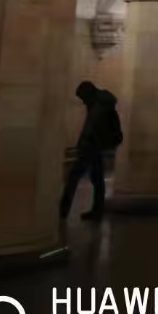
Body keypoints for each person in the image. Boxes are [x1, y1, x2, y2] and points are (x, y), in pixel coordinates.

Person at [59, 81, 121, 222]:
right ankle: (97, 211)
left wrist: (82, 146)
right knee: (97, 179)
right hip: (96, 146)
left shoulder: (98, 106)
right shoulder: (101, 103)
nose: (82, 102)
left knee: (74, 177)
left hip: (91, 147)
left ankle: (63, 210)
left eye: (82, 98)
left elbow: (90, 129)